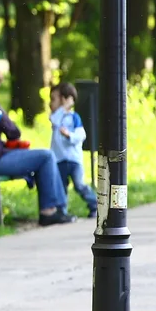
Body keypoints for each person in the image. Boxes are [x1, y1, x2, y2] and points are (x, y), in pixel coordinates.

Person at [0, 61, 74, 226]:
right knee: (46, 156)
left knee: (42, 157)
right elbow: (13, 132)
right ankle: (51, 211)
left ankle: (56, 210)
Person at [49, 83, 97, 218]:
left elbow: (81, 135)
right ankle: (61, 211)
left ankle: (95, 204)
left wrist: (69, 135)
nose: (50, 103)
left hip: (74, 160)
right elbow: (54, 120)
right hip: (59, 159)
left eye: (53, 99)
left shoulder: (74, 117)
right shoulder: (56, 117)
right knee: (61, 187)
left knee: (79, 185)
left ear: (64, 99)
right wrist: (63, 108)